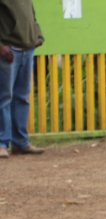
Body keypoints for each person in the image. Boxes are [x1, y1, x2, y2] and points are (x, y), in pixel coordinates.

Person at [0, 0, 44, 159]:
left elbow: (31, 16)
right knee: (4, 98)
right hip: (8, 50)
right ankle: (2, 143)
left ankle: (20, 142)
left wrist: (38, 35)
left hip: (27, 49)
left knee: (22, 97)